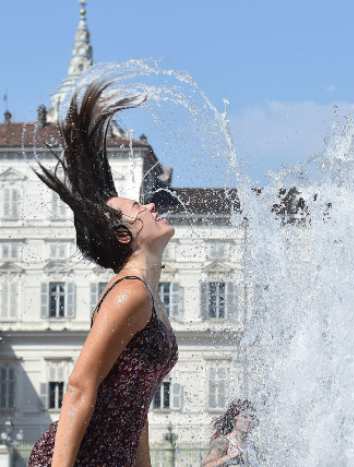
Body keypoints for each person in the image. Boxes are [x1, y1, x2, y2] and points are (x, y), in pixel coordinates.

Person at [28, 82, 178, 466]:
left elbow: (136, 402)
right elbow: (79, 384)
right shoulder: (130, 294)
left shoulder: (146, 295)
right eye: (137, 207)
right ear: (125, 235)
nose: (149, 206)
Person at [202, 399, 259, 467]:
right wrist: (228, 457)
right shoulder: (223, 442)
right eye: (244, 417)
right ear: (233, 420)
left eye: (251, 417)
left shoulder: (250, 444)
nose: (249, 420)